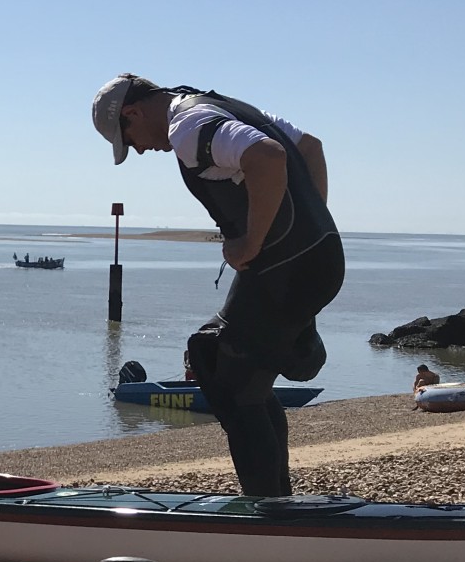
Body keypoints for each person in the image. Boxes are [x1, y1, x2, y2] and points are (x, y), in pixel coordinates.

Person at [92, 75, 342, 502]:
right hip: (309, 261)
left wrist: (252, 240)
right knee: (223, 362)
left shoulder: (187, 127)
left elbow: (267, 156)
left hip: (285, 269)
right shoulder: (224, 106)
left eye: (128, 138)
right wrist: (309, 224)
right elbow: (309, 147)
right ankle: (277, 496)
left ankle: (268, 512)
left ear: (132, 112)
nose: (137, 149)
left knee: (231, 383)